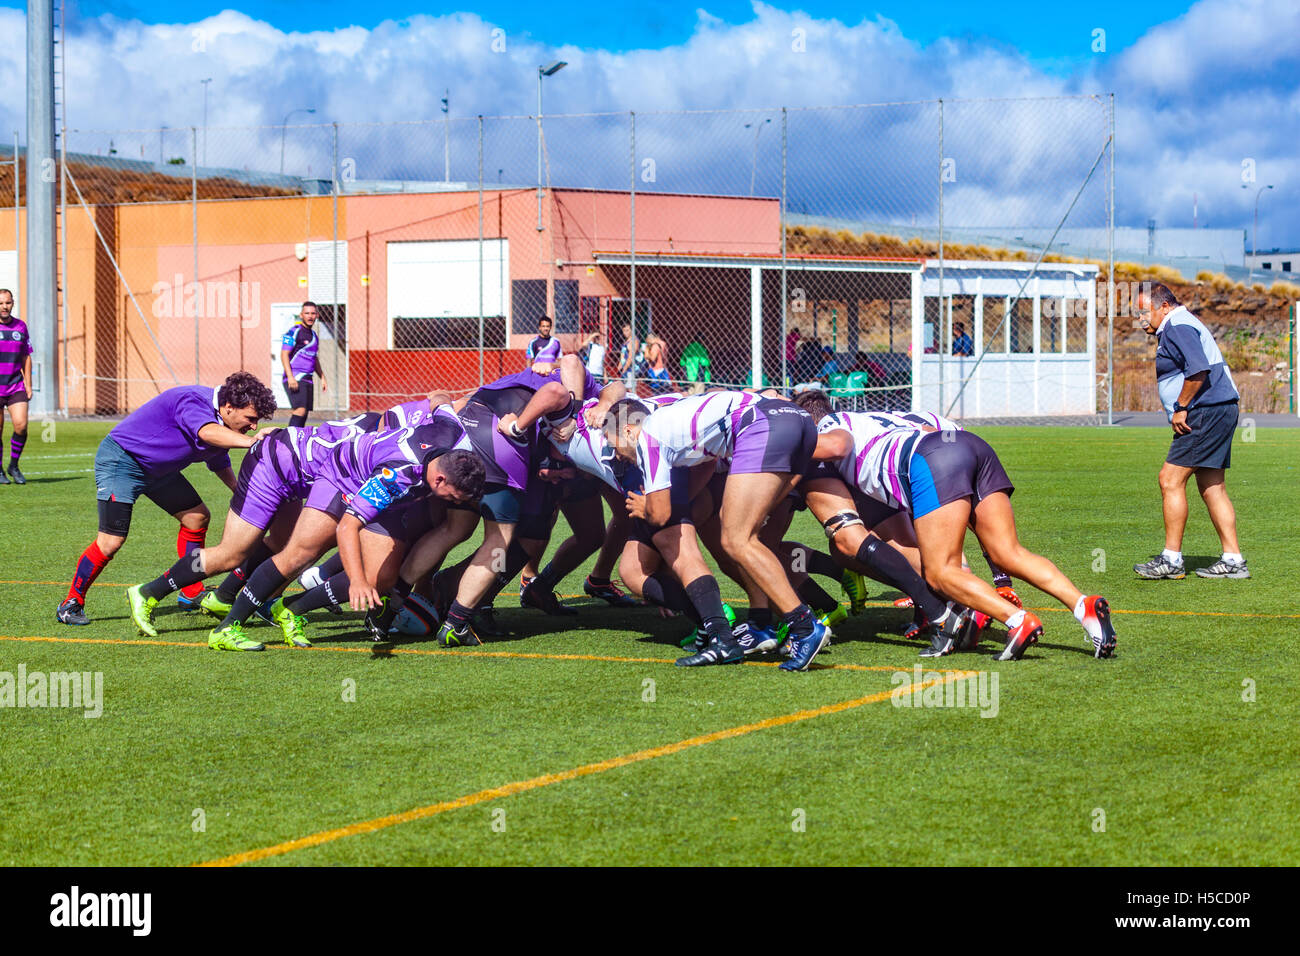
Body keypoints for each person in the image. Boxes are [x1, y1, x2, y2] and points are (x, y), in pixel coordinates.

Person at [808, 406, 1118, 661]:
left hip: (929, 460)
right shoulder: (881, 417)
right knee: (1009, 553)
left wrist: (784, 446)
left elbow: (837, 445)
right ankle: (1084, 606)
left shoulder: (829, 425)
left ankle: (1016, 621)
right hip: (971, 446)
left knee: (940, 572)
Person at [56, 372, 278, 626]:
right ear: (228, 407)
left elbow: (217, 458)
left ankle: (190, 592)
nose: (253, 426)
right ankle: (71, 603)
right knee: (111, 541)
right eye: (250, 419)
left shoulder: (222, 421)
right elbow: (207, 434)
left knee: (196, 518)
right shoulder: (193, 401)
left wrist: (240, 491)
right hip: (123, 461)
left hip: (158, 470)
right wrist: (252, 442)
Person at [1132, 282, 1247, 580]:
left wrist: (1181, 406)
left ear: (1165, 306)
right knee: (1212, 486)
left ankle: (1171, 560)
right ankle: (1233, 559)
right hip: (1220, 408)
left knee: (1169, 479)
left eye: (1145, 311)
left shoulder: (1176, 326)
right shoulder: (1181, 323)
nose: (1141, 318)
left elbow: (1198, 369)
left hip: (1204, 412)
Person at [0, 289, 32, 485]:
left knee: (21, 425)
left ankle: (14, 465)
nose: (5, 307)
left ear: (13, 303)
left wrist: (28, 383)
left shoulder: (20, 327)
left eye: (8, 303)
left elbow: (26, 356)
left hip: (15, 385)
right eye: (1, 303)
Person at [281, 301, 327, 428]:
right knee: (300, 410)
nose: (310, 316)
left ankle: (297, 441)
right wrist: (290, 377)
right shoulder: (293, 331)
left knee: (304, 412)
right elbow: (284, 354)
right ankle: (289, 440)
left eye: (313, 313)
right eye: (307, 313)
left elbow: (314, 358)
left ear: (317, 315)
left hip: (308, 379)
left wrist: (322, 377)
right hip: (296, 377)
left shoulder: (314, 336)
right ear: (301, 315)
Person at [618, 322, 642, 390]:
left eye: (627, 330)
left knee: (631, 390)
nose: (625, 332)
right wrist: (619, 369)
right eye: (624, 330)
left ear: (632, 330)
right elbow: (622, 357)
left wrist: (624, 369)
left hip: (631, 370)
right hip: (624, 369)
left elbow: (630, 357)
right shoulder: (626, 342)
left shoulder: (634, 341)